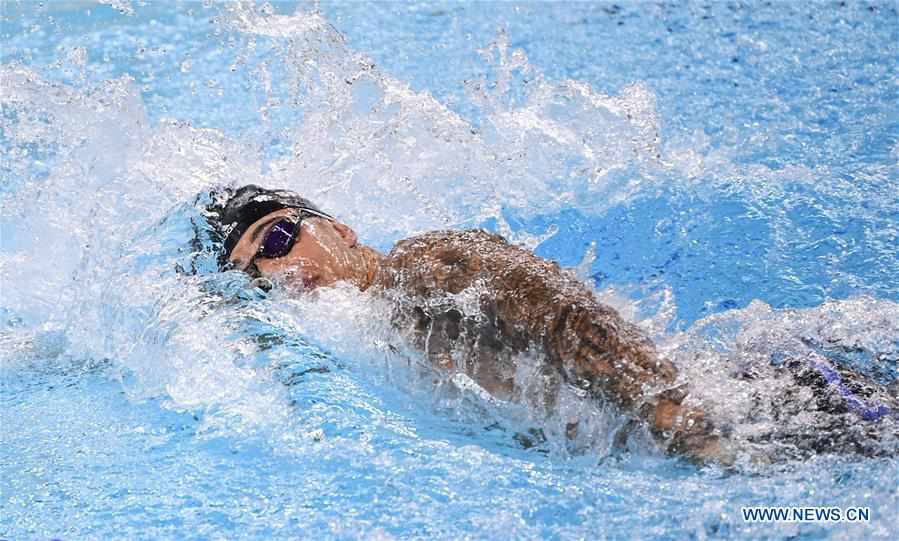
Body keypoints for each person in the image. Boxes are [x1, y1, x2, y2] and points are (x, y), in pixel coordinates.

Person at [208, 185, 897, 465]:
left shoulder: (425, 263)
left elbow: (568, 318)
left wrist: (684, 425)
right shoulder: (376, 341)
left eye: (276, 240)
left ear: (339, 227)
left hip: (777, 409)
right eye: (254, 273)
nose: (279, 270)